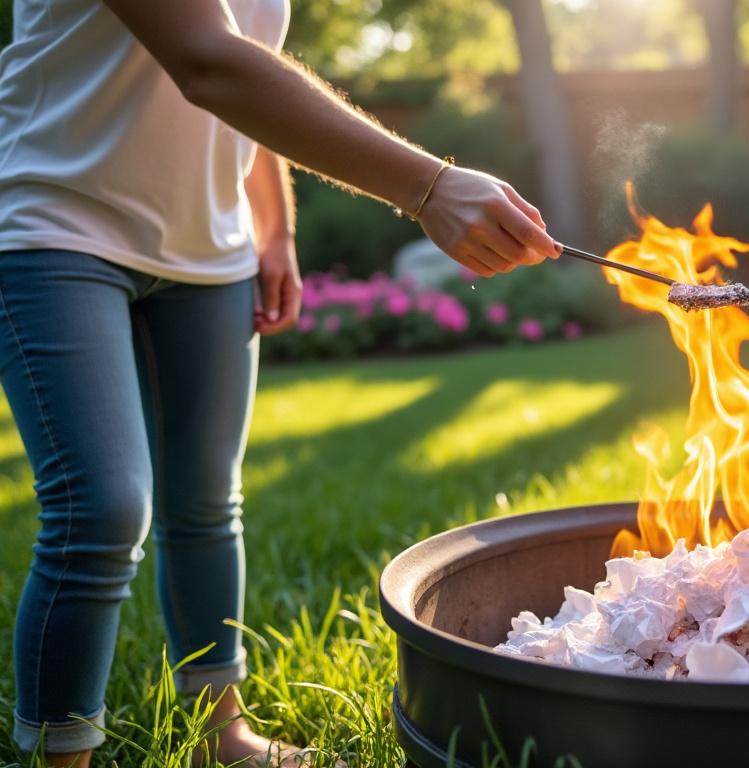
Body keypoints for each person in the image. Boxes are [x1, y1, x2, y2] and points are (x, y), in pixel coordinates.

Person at [0, 0, 558, 765]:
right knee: (100, 510)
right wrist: (430, 186)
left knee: (204, 505)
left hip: (212, 250)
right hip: (56, 226)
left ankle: (218, 733)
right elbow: (207, 63)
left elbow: (249, 77)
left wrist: (275, 227)